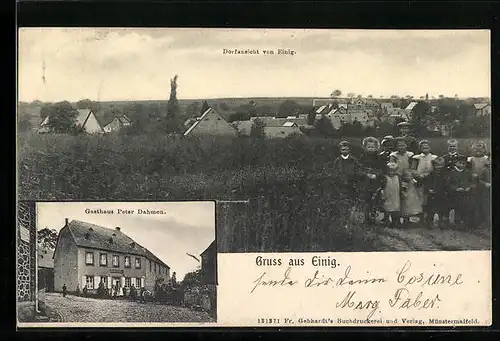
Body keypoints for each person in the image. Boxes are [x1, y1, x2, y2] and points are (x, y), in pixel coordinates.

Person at [410, 140, 437, 223]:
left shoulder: (434, 157)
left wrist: (428, 174)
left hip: (430, 180)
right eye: (423, 147)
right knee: (420, 199)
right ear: (420, 148)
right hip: (419, 180)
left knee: (429, 199)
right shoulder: (416, 158)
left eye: (427, 147)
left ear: (430, 148)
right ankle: (421, 218)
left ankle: (429, 219)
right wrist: (418, 175)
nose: (425, 148)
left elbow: (436, 169)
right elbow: (412, 169)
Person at [358, 137, 383, 223]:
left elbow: (381, 168)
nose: (371, 149)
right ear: (365, 147)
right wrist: (366, 174)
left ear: (376, 148)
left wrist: (376, 174)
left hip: (375, 180)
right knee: (366, 198)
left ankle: (373, 216)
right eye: (369, 147)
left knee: (375, 198)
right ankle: (366, 216)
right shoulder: (362, 157)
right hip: (365, 180)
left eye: (373, 147)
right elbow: (359, 168)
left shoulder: (378, 158)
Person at [468, 140, 491, 228]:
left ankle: (484, 222)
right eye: (476, 148)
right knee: (473, 203)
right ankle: (472, 222)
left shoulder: (486, 159)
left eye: (480, 148)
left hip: (483, 183)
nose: (478, 150)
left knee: (483, 203)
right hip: (473, 183)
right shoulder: (470, 159)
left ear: (484, 150)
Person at [448, 156, 473, 229]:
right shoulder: (452, 172)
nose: (462, 165)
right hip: (456, 194)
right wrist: (456, 188)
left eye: (463, 164)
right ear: (456, 163)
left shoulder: (468, 172)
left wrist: (469, 187)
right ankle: (457, 223)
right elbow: (448, 184)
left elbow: (472, 182)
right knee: (457, 208)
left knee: (465, 208)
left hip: (466, 194)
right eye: (460, 163)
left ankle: (465, 223)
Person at [427, 157, 450, 228]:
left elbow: (447, 183)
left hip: (441, 192)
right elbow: (428, 182)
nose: (439, 167)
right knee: (431, 208)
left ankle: (441, 221)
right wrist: (429, 189)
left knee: (442, 207)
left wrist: (446, 189)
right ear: (434, 165)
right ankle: (430, 221)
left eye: (441, 165)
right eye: (437, 165)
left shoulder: (445, 174)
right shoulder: (431, 174)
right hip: (433, 193)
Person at [378, 162, 401, 228]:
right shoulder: (385, 177)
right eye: (390, 171)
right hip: (387, 194)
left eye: (393, 171)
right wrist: (382, 193)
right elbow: (382, 186)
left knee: (395, 208)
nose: (391, 173)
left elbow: (400, 186)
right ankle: (386, 220)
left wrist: (402, 191)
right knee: (387, 208)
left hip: (395, 195)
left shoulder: (398, 177)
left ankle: (394, 222)